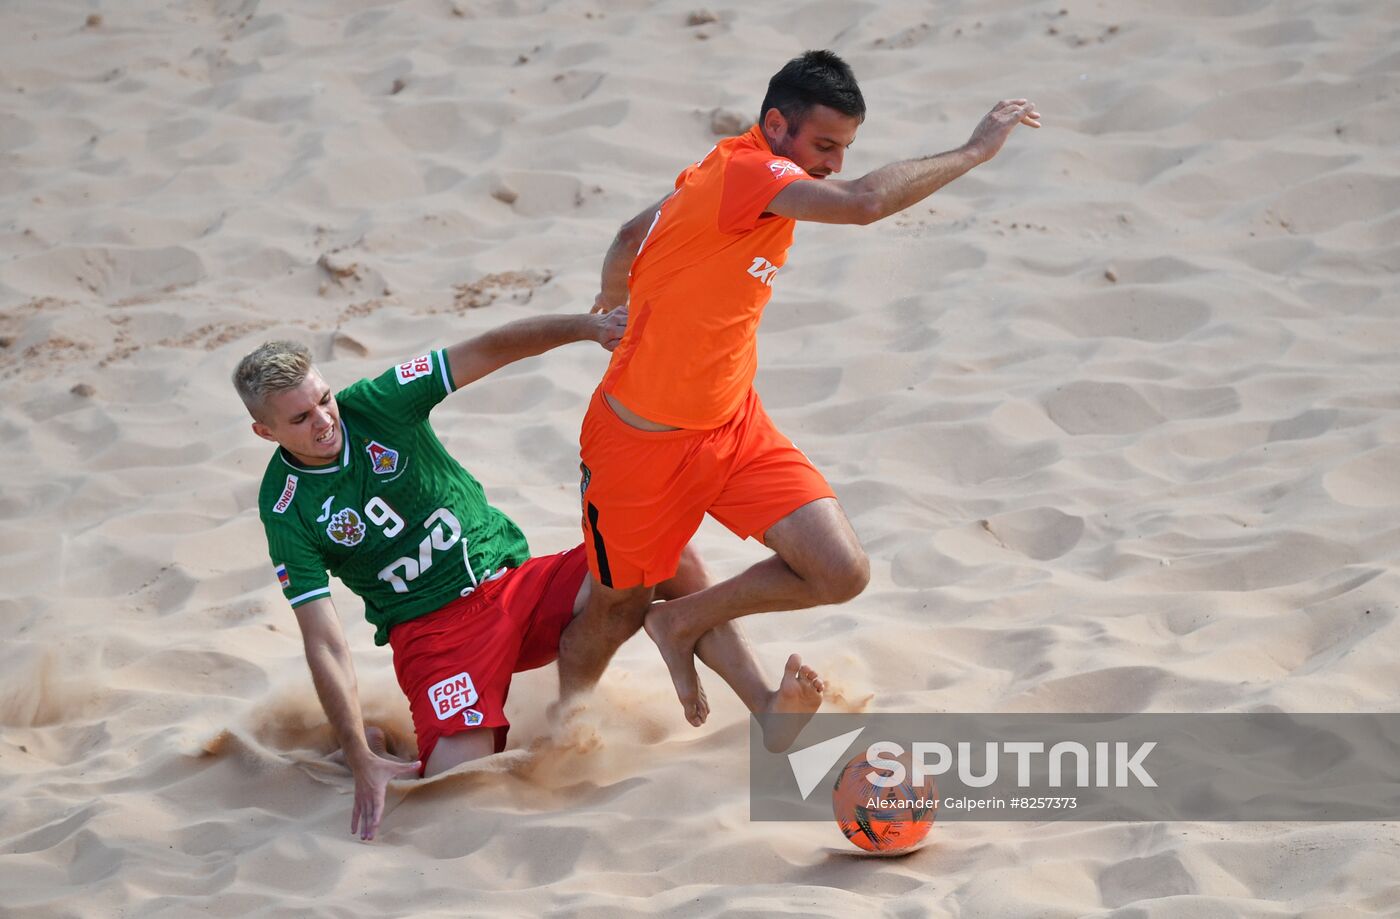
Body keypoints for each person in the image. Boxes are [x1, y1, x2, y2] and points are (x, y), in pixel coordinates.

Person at [568, 50, 1041, 724]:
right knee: (614, 607)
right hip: (638, 445)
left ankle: (681, 624)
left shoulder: (727, 169)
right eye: (824, 145)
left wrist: (611, 303)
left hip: (732, 427)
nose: (834, 165)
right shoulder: (746, 170)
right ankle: (563, 733)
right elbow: (865, 202)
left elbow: (627, 234)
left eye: (846, 148)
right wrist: (974, 150)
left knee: (839, 571)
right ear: (775, 124)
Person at [234, 310, 824, 841]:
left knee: (670, 556)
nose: (325, 420)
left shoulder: (375, 402)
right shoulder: (286, 509)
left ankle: (768, 707)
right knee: (459, 792)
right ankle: (380, 742)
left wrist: (585, 327)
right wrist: (359, 753)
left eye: (324, 400)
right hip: (435, 636)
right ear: (266, 433)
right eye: (301, 418)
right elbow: (324, 639)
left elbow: (490, 347)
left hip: (513, 581)